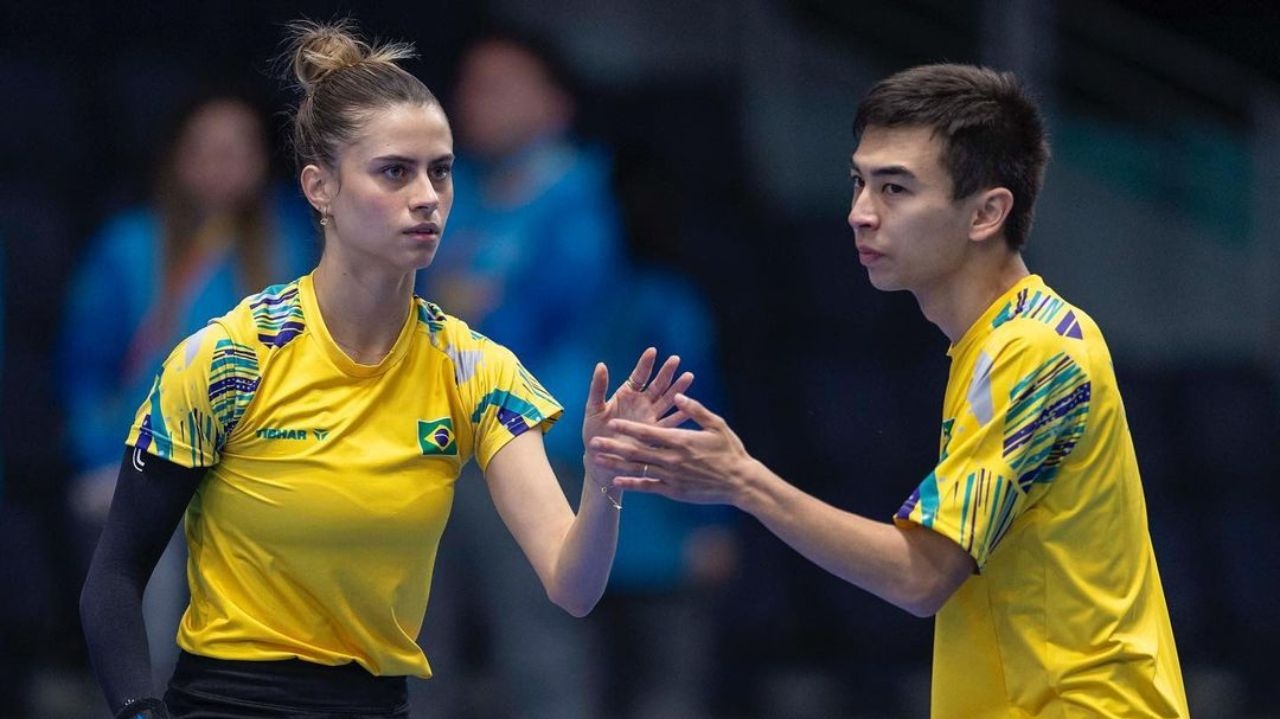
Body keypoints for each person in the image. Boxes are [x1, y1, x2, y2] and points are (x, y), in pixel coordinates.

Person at [79, 18, 692, 719]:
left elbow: (572, 585)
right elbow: (114, 578)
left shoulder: (476, 369)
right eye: (395, 171)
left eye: (442, 170)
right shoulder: (227, 358)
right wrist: (138, 712)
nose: (427, 195)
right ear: (320, 188)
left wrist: (604, 486)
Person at [592, 63, 1190, 718]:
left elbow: (920, 575)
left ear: (987, 211)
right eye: (859, 182)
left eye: (895, 189)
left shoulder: (1037, 352)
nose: (859, 214)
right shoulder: (994, 344)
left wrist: (742, 480)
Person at [59, 90, 317, 690]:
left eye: (238, 148)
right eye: (206, 148)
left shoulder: (295, 246)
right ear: (177, 157)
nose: (222, 163)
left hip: (259, 475)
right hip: (149, 465)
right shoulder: (127, 247)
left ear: (262, 160)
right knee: (149, 650)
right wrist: (100, 461)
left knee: (260, 663)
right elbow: (84, 367)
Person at [408, 28, 625, 718]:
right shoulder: (450, 188)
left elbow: (522, 318)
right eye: (471, 86)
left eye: (501, 85)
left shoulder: (581, 192)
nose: (476, 101)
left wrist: (457, 301)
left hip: (531, 443)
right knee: (412, 642)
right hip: (434, 443)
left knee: (540, 646)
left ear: (553, 103)